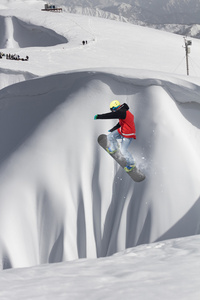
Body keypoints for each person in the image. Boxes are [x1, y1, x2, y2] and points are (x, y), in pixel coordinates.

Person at [94, 100, 136, 172]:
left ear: (115, 107)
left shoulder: (122, 112)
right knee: (110, 136)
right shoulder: (122, 112)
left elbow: (110, 115)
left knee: (123, 150)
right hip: (123, 130)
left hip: (128, 134)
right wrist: (112, 129)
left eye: (113, 110)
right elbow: (120, 123)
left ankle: (131, 164)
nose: (113, 111)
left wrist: (99, 116)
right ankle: (114, 148)